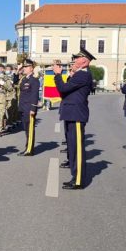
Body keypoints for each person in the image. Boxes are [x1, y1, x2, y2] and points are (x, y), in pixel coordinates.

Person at [53, 48, 95, 190]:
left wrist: (58, 75)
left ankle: (78, 180)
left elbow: (63, 89)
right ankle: (74, 174)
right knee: (72, 146)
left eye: (77, 58)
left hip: (76, 114)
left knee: (77, 148)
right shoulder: (78, 75)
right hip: (71, 113)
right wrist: (70, 74)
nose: (74, 60)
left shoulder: (83, 75)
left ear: (84, 61)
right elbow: (67, 91)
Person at [17, 59, 40, 156]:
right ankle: (27, 147)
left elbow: (35, 95)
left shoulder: (34, 80)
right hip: (23, 107)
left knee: (30, 129)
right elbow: (15, 83)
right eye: (24, 67)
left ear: (31, 68)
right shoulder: (24, 79)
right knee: (26, 129)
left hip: (29, 109)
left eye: (26, 67)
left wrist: (33, 109)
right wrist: (17, 72)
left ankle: (29, 150)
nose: (24, 68)